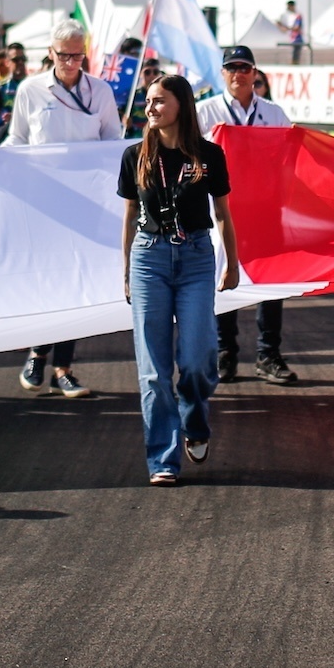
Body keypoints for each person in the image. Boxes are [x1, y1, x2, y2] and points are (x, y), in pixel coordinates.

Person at [119, 73, 239, 486]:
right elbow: (131, 217)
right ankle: (163, 460)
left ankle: (194, 414)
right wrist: (126, 272)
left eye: (158, 101)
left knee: (197, 361)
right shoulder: (135, 154)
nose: (150, 108)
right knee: (153, 370)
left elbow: (222, 213)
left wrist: (232, 263)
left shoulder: (209, 155)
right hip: (149, 259)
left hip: (196, 259)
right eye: (148, 102)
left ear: (181, 106)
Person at [6, 18, 124, 398]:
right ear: (50, 54)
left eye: (77, 55)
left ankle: (64, 368)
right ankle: (38, 351)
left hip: (88, 201)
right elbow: (18, 139)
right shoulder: (30, 90)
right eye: (64, 55)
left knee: (77, 282)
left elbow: (113, 142)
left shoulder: (101, 91)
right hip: (44, 201)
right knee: (45, 277)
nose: (71, 62)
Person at [195, 45, 299, 385]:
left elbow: (291, 159)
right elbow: (188, 158)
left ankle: (268, 354)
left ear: (255, 73)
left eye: (244, 67)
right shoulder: (205, 112)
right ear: (222, 73)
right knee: (225, 278)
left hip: (266, 210)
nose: (238, 73)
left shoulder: (273, 113)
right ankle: (225, 352)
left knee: (271, 282)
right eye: (232, 67)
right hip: (221, 210)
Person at [125, 59, 163, 137]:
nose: (152, 75)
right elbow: (121, 114)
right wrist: (124, 120)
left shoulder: (165, 97)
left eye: (155, 72)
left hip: (157, 138)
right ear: (140, 74)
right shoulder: (132, 95)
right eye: (147, 72)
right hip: (134, 138)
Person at [276, 0, 306, 64]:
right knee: (291, 57)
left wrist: (284, 26)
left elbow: (296, 28)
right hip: (292, 39)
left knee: (295, 58)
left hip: (297, 39)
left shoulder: (298, 16)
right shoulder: (290, 16)